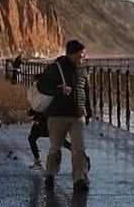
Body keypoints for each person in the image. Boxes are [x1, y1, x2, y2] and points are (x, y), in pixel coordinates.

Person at [35, 40, 92, 192]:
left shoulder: (82, 70)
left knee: (78, 148)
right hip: (57, 115)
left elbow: (86, 92)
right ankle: (50, 175)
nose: (83, 56)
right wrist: (59, 89)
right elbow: (41, 85)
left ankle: (79, 179)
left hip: (77, 115)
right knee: (56, 148)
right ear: (72, 53)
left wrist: (89, 112)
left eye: (84, 53)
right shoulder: (55, 68)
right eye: (81, 53)